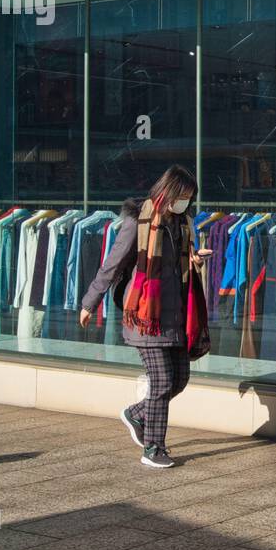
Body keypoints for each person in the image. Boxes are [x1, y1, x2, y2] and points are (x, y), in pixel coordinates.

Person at [78, 165, 211, 468]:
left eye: (190, 198)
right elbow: (111, 265)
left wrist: (193, 258)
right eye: (183, 196)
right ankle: (153, 448)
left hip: (174, 315)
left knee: (179, 379)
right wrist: (90, 302)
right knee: (162, 381)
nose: (186, 203)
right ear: (168, 192)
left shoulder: (183, 224)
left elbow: (176, 267)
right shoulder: (138, 222)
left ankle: (137, 414)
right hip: (144, 315)